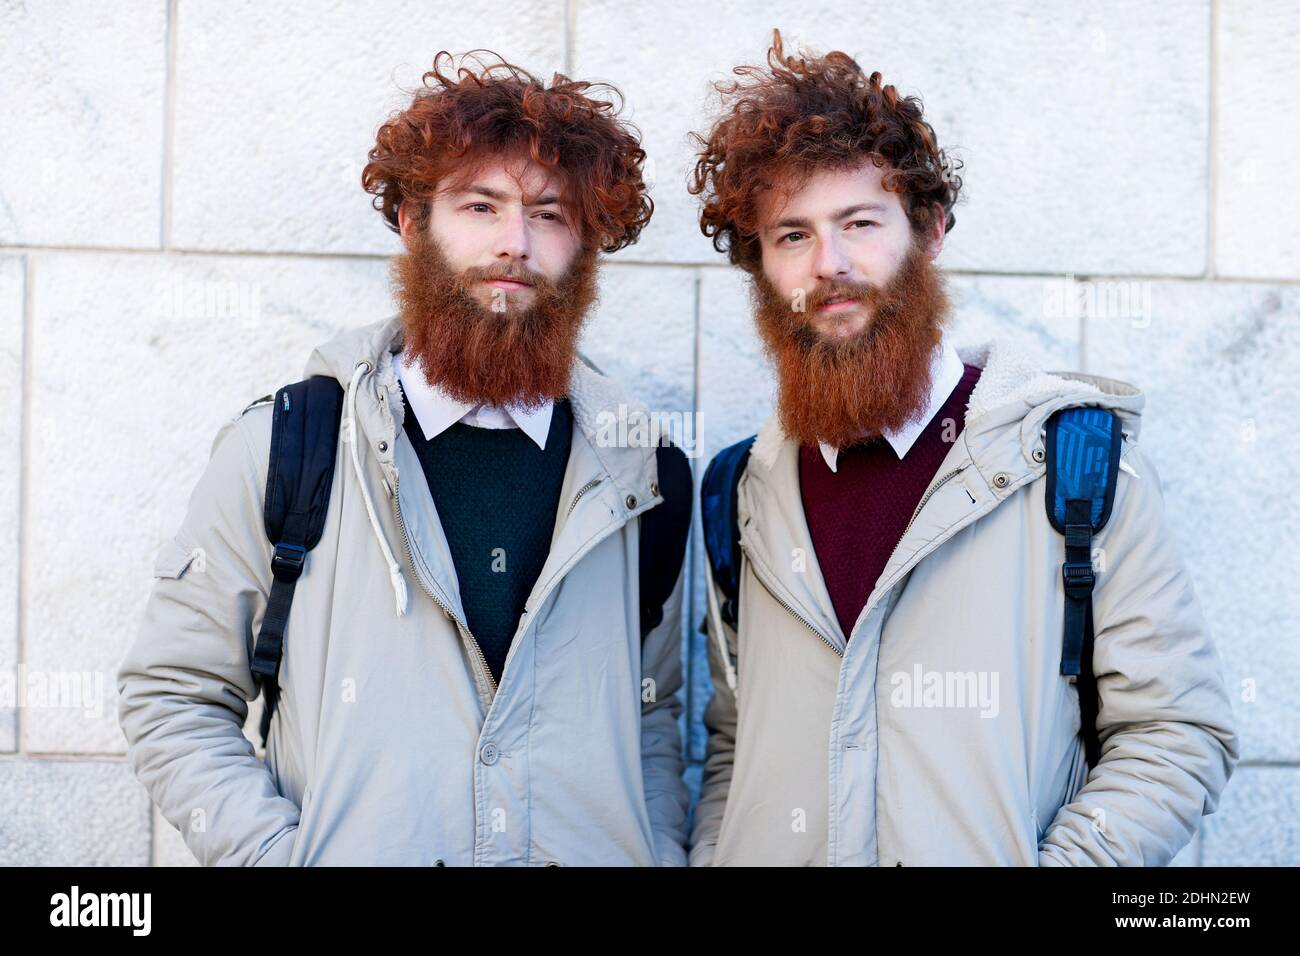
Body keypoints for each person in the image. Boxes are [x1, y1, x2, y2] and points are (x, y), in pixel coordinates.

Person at [117, 49, 692, 866]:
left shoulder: (648, 473)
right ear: (413, 224)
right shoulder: (288, 447)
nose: (514, 244)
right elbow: (170, 695)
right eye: (480, 206)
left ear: (585, 246)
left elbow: (654, 717)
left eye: (551, 213)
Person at [686, 30, 1238, 866]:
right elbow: (733, 742)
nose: (829, 263)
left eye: (860, 223)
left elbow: (1178, 731)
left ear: (930, 230)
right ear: (762, 267)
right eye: (792, 236)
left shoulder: (1070, 465)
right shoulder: (740, 489)